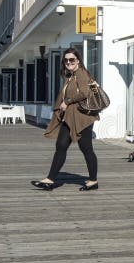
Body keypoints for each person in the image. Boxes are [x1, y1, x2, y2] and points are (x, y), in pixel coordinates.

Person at [31, 47, 99, 191]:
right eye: (66, 60)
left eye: (72, 59)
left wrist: (67, 101)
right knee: (61, 146)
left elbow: (85, 93)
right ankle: (50, 180)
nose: (68, 62)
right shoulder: (70, 76)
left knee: (86, 148)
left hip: (83, 118)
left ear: (78, 60)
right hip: (69, 117)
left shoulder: (81, 73)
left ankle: (93, 181)